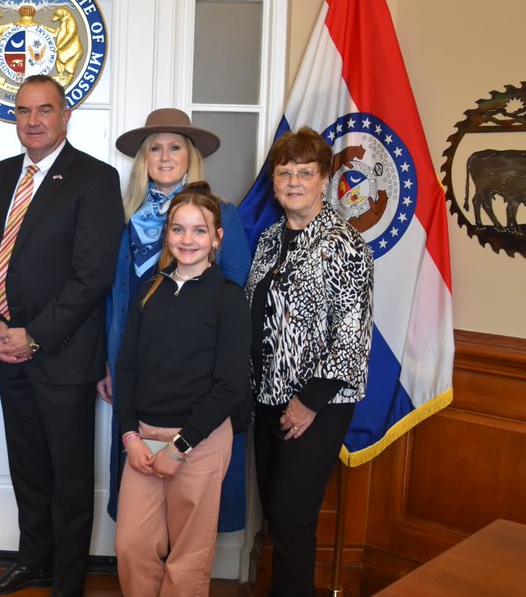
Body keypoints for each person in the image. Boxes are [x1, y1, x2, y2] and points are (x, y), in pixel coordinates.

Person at [0, 75, 124, 597]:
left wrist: (31, 336)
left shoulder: (95, 179)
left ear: (66, 115)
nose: (32, 121)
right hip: (9, 353)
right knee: (29, 470)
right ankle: (31, 562)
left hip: (61, 356)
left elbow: (92, 277)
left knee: (70, 480)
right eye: (23, 111)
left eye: (44, 110)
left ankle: (67, 583)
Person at [100, 107, 252, 525]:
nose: (164, 157)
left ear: (191, 157)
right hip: (136, 368)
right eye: (155, 148)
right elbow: (116, 298)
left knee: (192, 498)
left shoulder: (220, 213)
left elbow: (236, 289)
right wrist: (108, 364)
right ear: (143, 159)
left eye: (175, 148)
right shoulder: (128, 219)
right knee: (142, 485)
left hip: (197, 375)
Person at [245, 127, 373, 597]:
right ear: (274, 181)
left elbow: (351, 337)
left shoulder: (344, 244)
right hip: (265, 401)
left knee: (293, 524)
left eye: (306, 172)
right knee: (278, 520)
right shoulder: (268, 241)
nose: (294, 181)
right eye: (285, 172)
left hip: (315, 407)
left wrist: (306, 402)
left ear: (325, 180)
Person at [113, 183, 250, 597]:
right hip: (145, 439)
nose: (187, 240)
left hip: (200, 440)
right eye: (178, 229)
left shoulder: (228, 300)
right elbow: (128, 368)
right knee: (131, 546)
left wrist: (180, 447)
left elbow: (230, 387)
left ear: (217, 238)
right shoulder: (149, 291)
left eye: (199, 230)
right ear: (167, 234)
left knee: (188, 557)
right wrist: (130, 436)